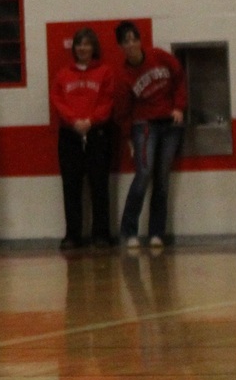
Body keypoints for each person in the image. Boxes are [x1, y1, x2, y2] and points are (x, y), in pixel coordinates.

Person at [115, 22, 187, 251]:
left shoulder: (159, 56)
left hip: (170, 124)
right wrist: (129, 138)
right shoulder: (124, 76)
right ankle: (129, 231)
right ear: (121, 47)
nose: (131, 44)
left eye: (133, 39)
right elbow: (122, 111)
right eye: (125, 41)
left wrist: (179, 107)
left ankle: (157, 232)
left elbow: (179, 78)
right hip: (144, 126)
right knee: (144, 173)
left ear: (140, 40)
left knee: (162, 178)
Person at [51, 28, 118, 249]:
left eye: (87, 44)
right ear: (74, 48)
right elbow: (58, 100)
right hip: (70, 134)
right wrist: (74, 121)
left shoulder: (105, 72)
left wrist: (91, 121)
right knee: (71, 186)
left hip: (97, 133)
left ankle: (101, 234)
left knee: (99, 185)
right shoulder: (63, 74)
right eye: (79, 44)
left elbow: (107, 101)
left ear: (94, 47)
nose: (83, 48)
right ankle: (72, 235)